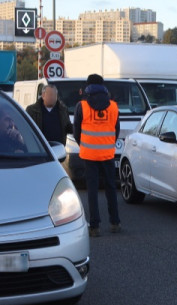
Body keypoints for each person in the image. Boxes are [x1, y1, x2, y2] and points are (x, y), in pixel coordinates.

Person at [73, 73, 121, 237]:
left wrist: (84, 145)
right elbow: (116, 130)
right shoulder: (113, 106)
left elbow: (76, 131)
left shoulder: (82, 105)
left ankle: (95, 226)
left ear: (88, 86)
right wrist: (108, 144)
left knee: (92, 190)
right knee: (111, 188)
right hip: (108, 153)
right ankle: (115, 222)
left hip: (89, 154)